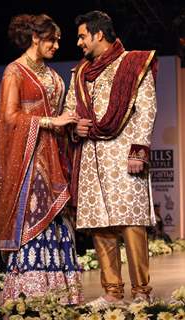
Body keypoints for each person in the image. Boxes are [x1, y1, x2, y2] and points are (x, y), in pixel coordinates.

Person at [64, 10, 157, 307]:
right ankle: (112, 292)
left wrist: (138, 152)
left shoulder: (133, 63)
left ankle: (141, 292)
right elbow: (70, 109)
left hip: (123, 155)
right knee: (100, 225)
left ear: (98, 34)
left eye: (82, 36)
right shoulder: (80, 73)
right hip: (91, 157)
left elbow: (147, 109)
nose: (78, 42)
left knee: (131, 223)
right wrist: (74, 126)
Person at [0, 13, 83, 305]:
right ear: (35, 37)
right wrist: (50, 122)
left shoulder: (53, 75)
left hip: (55, 157)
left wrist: (69, 124)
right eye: (51, 39)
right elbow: (9, 117)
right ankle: (31, 291)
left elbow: (59, 115)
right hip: (29, 162)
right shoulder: (14, 72)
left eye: (58, 40)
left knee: (59, 221)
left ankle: (62, 292)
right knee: (34, 218)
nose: (57, 45)